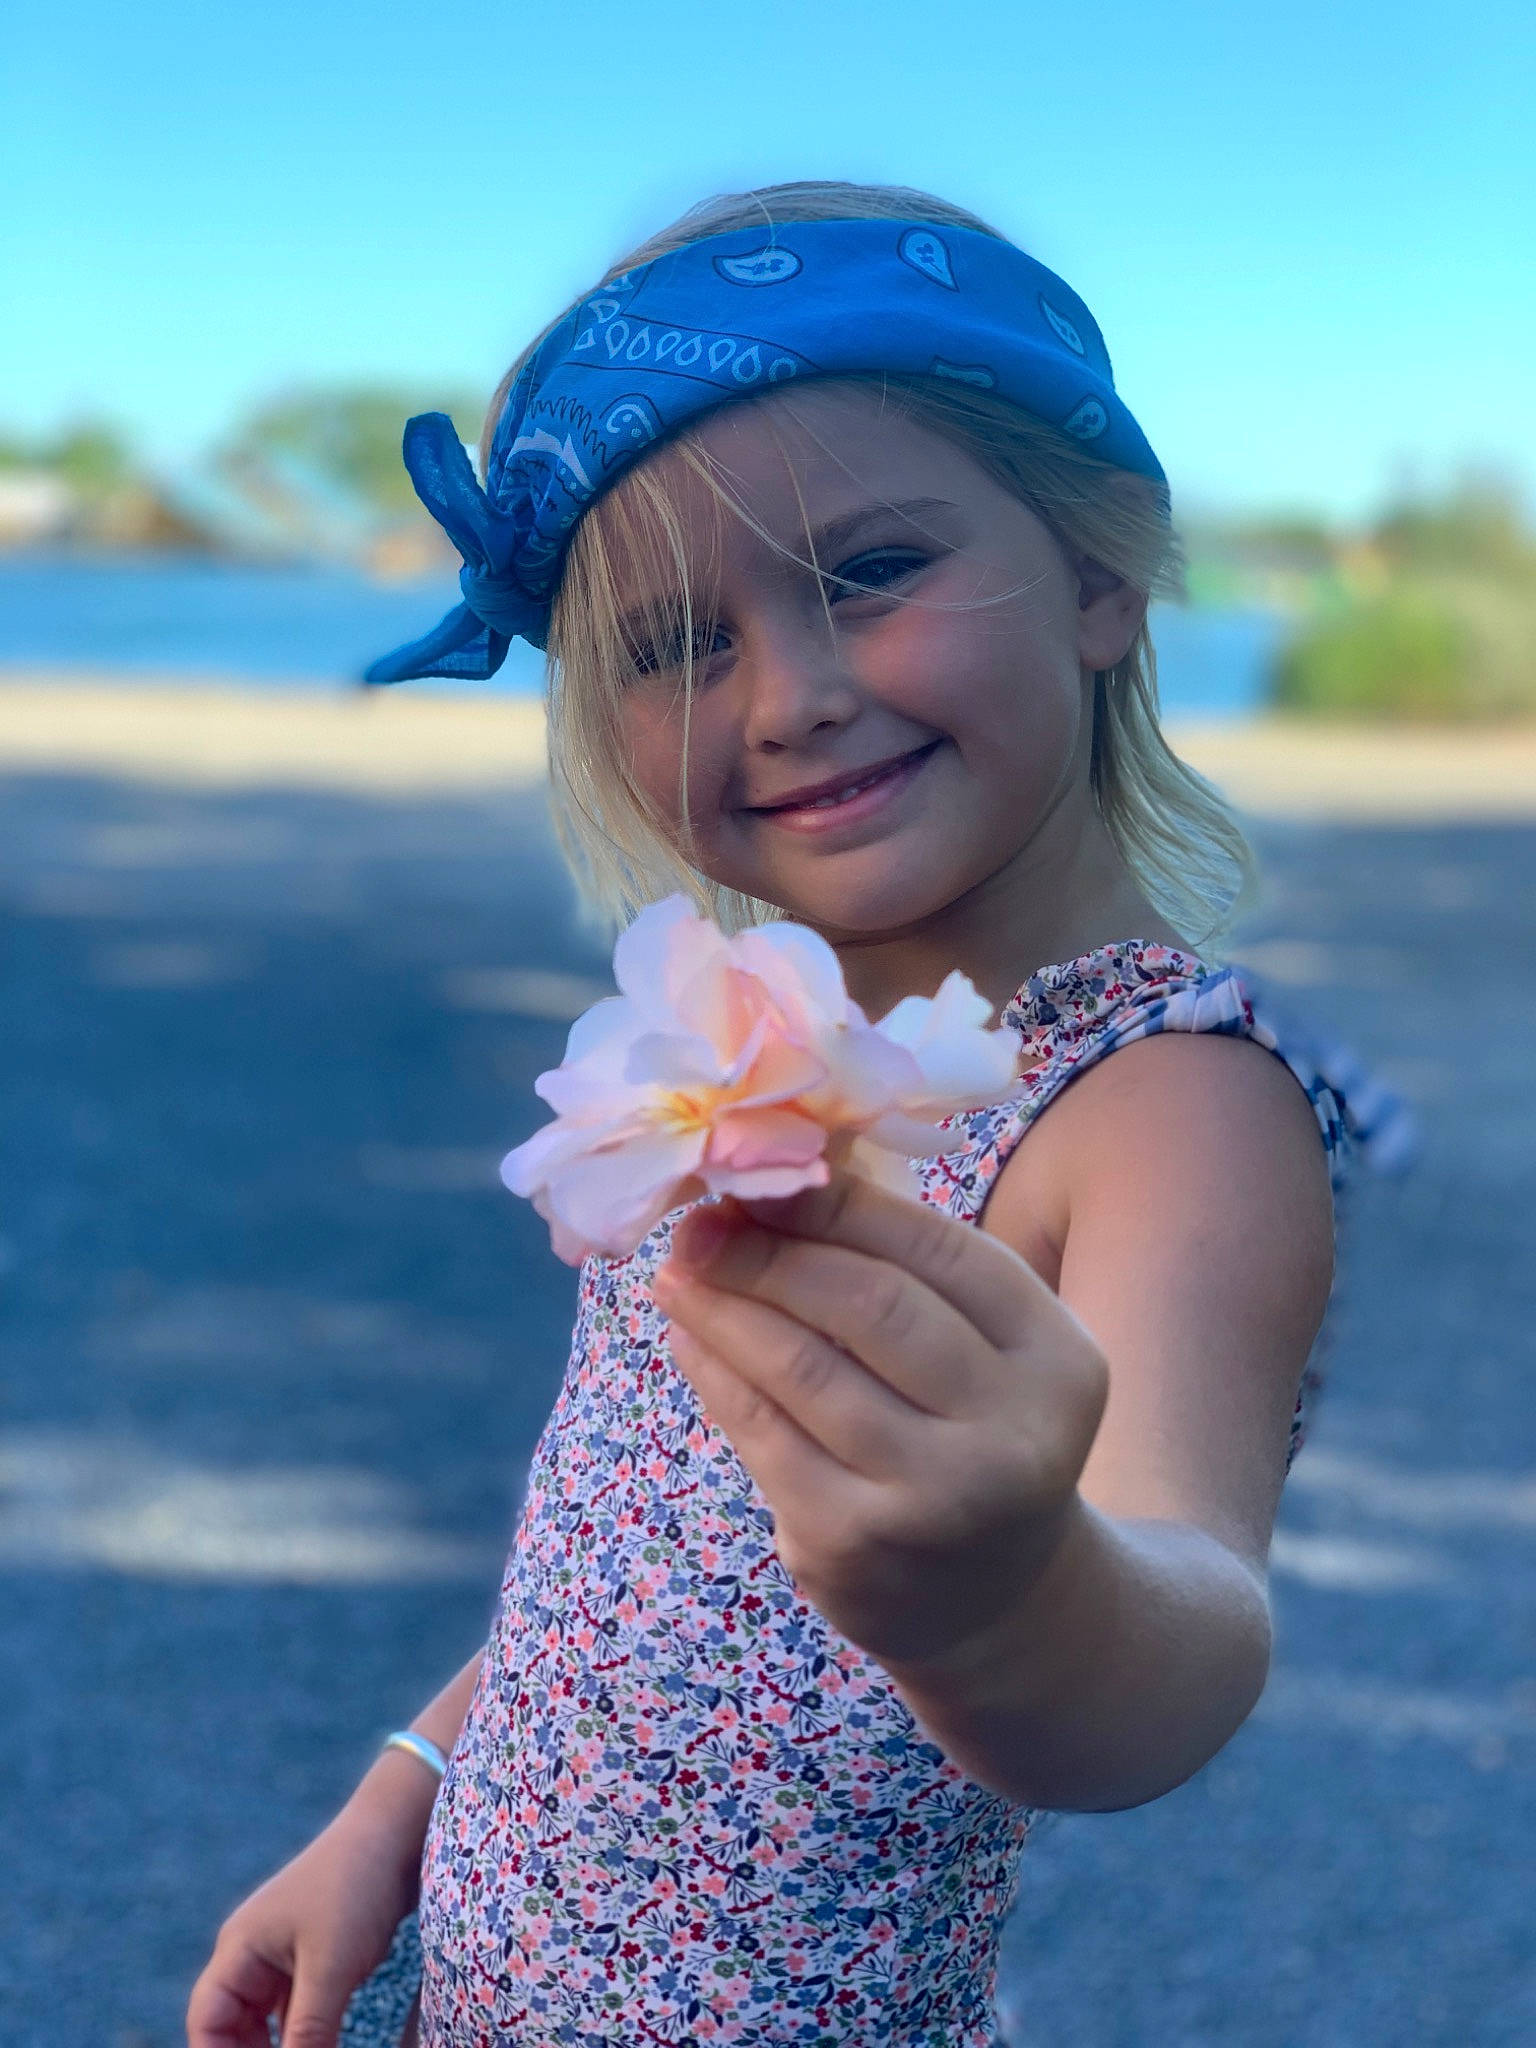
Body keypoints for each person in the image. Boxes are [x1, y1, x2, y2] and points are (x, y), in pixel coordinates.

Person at [187, 180, 1403, 2048]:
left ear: (1096, 573)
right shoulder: (750, 1049)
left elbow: (1182, 1647)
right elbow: (624, 1549)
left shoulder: (1163, 1104)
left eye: (868, 576)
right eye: (678, 647)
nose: (793, 697)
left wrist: (1007, 1590)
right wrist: (397, 1793)